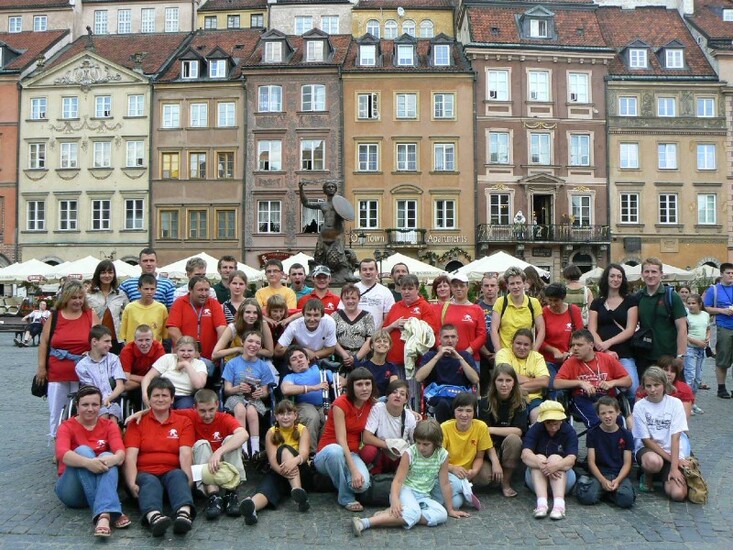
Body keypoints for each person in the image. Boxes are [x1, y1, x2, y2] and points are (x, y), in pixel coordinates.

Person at [351, 418, 469, 537]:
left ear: (436, 443)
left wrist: (450, 510)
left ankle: (396, 515)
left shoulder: (442, 455)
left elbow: (445, 484)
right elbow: (397, 481)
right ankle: (364, 522)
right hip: (406, 490)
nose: (421, 447)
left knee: (442, 515)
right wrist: (395, 500)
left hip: (424, 495)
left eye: (426, 444)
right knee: (414, 513)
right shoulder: (410, 453)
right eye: (418, 443)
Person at [124, 377, 196, 537]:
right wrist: (131, 483)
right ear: (148, 399)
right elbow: (130, 457)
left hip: (171, 470)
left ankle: (184, 515)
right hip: (145, 472)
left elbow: (185, 453)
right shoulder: (137, 423)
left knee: (178, 475)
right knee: (149, 482)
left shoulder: (183, 422)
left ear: (172, 400)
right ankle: (154, 517)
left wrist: (188, 479)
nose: (160, 399)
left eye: (165, 395)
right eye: (156, 396)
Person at [54, 385, 129, 538]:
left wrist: (110, 459)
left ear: (101, 406)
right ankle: (111, 508)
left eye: (95, 405)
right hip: (71, 490)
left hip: (100, 484)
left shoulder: (109, 426)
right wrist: (88, 463)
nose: (90, 409)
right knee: (83, 451)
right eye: (85, 405)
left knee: (108, 456)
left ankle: (104, 516)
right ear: (77, 406)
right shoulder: (66, 426)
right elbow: (62, 454)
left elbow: (120, 453)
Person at [37, 280, 101, 440]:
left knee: (82, 408)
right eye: (74, 298)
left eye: (80, 297)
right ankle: (58, 440)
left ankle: (79, 439)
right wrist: (41, 368)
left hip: (83, 371)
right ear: (66, 298)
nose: (78, 301)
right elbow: (44, 342)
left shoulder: (89, 314)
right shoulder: (56, 316)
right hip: (58, 370)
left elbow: (100, 339)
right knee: (56, 408)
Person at [177, 389, 248, 520]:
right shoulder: (189, 415)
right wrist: (140, 413)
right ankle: (213, 495)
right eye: (202, 411)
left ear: (217, 405)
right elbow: (164, 411)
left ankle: (231, 493)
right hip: (203, 463)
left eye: (211, 409)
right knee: (201, 444)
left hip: (223, 463)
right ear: (195, 408)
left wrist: (219, 452)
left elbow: (243, 434)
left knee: (231, 440)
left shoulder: (225, 418)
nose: (207, 415)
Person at [314, 367, 377, 512]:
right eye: (359, 384)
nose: (364, 388)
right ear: (351, 387)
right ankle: (346, 497)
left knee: (362, 486)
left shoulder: (371, 403)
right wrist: (354, 470)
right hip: (328, 453)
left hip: (352, 453)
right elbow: (341, 440)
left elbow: (389, 402)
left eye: (368, 384)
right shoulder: (340, 404)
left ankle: (342, 482)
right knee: (336, 451)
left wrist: (410, 411)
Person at [239, 400, 312, 525]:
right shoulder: (271, 432)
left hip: (300, 468)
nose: (285, 417)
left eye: (289, 413)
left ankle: (297, 491)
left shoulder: (302, 429)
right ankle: (252, 507)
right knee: (266, 489)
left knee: (285, 449)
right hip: (279, 470)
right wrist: (283, 471)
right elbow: (272, 460)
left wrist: (293, 462)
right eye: (281, 414)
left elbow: (304, 453)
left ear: (295, 415)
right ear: (276, 416)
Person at [632, 366, 690, 501]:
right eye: (648, 386)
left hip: (672, 451)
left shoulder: (675, 404)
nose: (652, 390)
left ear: (664, 384)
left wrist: (674, 468)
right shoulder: (640, 406)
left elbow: (675, 438)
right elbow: (646, 440)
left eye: (656, 385)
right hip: (649, 450)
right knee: (654, 462)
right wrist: (674, 461)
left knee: (678, 494)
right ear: (643, 387)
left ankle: (666, 475)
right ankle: (647, 475)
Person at [554, 329, 631, 428]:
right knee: (597, 423)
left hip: (606, 397)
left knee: (617, 422)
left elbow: (628, 381)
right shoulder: (571, 362)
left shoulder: (606, 359)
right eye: (573, 345)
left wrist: (612, 383)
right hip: (583, 398)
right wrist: (580, 383)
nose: (575, 348)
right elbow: (556, 383)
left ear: (591, 345)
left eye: (579, 345)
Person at [441, 392, 501, 510]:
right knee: (456, 503)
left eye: (468, 411)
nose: (464, 414)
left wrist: (474, 471)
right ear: (454, 411)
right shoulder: (444, 428)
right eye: (460, 410)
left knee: (485, 476)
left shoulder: (480, 426)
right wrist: (453, 468)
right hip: (449, 469)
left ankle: (463, 488)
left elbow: (479, 457)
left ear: (474, 412)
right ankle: (461, 489)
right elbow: (438, 459)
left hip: (467, 470)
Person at [588, 263, 640, 399]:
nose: (615, 279)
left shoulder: (630, 301)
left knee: (633, 389)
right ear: (606, 278)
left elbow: (630, 329)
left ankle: (629, 417)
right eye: (612, 276)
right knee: (601, 391)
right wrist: (604, 349)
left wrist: (608, 343)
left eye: (619, 276)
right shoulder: (597, 303)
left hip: (624, 353)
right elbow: (591, 329)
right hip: (601, 355)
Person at [222, 330, 276, 456]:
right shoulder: (232, 363)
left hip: (253, 398)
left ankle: (255, 449)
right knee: (240, 409)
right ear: (242, 342)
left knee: (251, 410)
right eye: (250, 341)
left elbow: (266, 391)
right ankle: (242, 447)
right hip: (236, 396)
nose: (253, 345)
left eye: (258, 343)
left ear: (261, 346)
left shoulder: (263, 366)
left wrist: (260, 393)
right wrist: (238, 388)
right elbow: (227, 390)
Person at [477, 364, 528, 497]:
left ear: (514, 383)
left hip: (509, 446)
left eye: (508, 380)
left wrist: (490, 429)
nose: (504, 384)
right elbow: (483, 435)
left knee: (514, 439)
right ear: (494, 382)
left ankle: (506, 481)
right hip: (489, 447)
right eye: (500, 380)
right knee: (483, 479)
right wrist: (494, 462)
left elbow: (518, 431)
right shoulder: (484, 402)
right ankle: (495, 473)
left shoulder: (520, 403)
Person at [521, 400, 578, 520]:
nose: (553, 427)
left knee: (555, 458)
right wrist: (541, 464)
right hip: (537, 479)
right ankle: (541, 504)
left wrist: (556, 466)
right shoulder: (536, 429)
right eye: (549, 424)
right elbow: (525, 454)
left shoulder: (569, 431)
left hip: (564, 479)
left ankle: (559, 505)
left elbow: (571, 459)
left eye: (556, 424)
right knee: (539, 457)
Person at [576, 396, 635, 509]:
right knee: (587, 498)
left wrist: (618, 480)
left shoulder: (626, 434)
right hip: (600, 473)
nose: (607, 416)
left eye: (611, 412)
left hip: (619, 474)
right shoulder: (593, 433)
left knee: (626, 500)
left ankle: (607, 492)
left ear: (618, 412)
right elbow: (591, 462)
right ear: (598, 415)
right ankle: (605, 490)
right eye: (603, 413)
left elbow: (627, 463)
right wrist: (603, 480)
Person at [416, 324, 479, 423]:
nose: (450, 340)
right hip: (438, 397)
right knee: (443, 403)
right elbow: (419, 378)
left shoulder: (465, 356)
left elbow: (475, 380)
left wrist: (459, 358)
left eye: (453, 337)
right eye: (446, 337)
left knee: (460, 404)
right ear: (440, 339)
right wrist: (438, 356)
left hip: (460, 397)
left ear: (457, 339)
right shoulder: (430, 355)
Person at [298, 180, 358, 284]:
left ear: (335, 189)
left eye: (332, 186)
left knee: (338, 257)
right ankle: (315, 273)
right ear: (324, 190)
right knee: (319, 256)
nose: (330, 188)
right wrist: (301, 189)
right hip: (324, 235)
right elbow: (306, 203)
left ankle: (346, 274)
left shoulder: (340, 205)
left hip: (336, 235)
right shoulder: (323, 205)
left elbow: (347, 215)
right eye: (328, 187)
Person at [636, 258, 688, 376]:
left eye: (654, 272)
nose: (650, 275)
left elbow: (682, 328)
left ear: (661, 274)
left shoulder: (672, 297)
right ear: (642, 274)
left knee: (674, 392)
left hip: (668, 357)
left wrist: (680, 355)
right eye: (647, 272)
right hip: (644, 356)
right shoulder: (638, 297)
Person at [383, 274, 440, 379]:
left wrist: (413, 325)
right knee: (396, 392)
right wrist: (393, 325)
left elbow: (431, 331)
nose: (406, 292)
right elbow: (383, 332)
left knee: (413, 394)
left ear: (417, 289)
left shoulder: (425, 307)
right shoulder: (395, 307)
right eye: (403, 288)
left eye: (410, 288)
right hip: (394, 360)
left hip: (416, 361)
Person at [280, 346, 334, 453]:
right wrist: (313, 388)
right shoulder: (291, 377)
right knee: (312, 416)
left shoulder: (319, 370)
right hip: (303, 405)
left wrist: (339, 383)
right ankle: (310, 454)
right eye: (294, 359)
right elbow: (286, 389)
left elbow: (339, 381)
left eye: (301, 357)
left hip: (324, 404)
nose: (299, 360)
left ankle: (324, 450)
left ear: (308, 360)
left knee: (330, 417)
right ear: (290, 366)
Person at [359, 379, 417, 474]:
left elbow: (415, 444)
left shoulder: (409, 417)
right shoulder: (378, 409)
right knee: (368, 451)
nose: (398, 396)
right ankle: (372, 477)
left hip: (399, 455)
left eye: (402, 394)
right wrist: (390, 445)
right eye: (394, 392)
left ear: (406, 400)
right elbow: (366, 438)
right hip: (380, 452)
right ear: (387, 395)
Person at [167, 275, 227, 363]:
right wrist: (188, 350)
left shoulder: (214, 304)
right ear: (190, 290)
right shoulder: (179, 303)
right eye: (200, 290)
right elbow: (173, 329)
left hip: (210, 359)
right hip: (184, 358)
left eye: (206, 290)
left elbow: (221, 329)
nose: (204, 294)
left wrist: (217, 351)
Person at [495, 328, 550, 423]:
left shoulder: (537, 357)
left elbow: (544, 382)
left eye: (526, 345)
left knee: (537, 415)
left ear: (532, 346)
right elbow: (507, 375)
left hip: (534, 398)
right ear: (512, 343)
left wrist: (516, 385)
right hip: (509, 397)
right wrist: (535, 381)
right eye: (518, 343)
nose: (522, 347)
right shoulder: (503, 353)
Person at [75, 325, 127, 423]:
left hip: (113, 400)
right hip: (93, 402)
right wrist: (101, 402)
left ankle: (113, 436)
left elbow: (120, 386)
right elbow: (90, 390)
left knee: (113, 418)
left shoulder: (113, 359)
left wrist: (109, 399)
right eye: (106, 341)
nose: (111, 345)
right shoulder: (82, 366)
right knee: (103, 414)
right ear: (94, 342)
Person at [539, 283, 583, 398]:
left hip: (570, 359)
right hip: (549, 360)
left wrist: (571, 352)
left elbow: (580, 336)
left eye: (556, 301)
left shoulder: (574, 311)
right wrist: (553, 350)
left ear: (563, 299)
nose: (553, 304)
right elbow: (539, 339)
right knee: (555, 389)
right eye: (550, 300)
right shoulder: (543, 313)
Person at [141, 336, 208, 409]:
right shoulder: (167, 358)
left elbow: (199, 385)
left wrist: (186, 364)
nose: (186, 353)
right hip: (163, 394)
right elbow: (147, 378)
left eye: (190, 351)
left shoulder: (199, 364)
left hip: (185, 396)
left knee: (184, 411)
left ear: (195, 352)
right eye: (182, 350)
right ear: (176, 351)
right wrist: (145, 394)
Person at [491, 266, 545, 352]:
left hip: (525, 352)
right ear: (507, 286)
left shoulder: (533, 303)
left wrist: (534, 350)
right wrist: (499, 352)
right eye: (512, 284)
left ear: (524, 283)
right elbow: (494, 328)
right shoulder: (500, 302)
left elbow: (541, 329)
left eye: (518, 283)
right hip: (505, 352)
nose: (516, 286)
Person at [440, 273, 487, 369]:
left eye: (462, 286)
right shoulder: (444, 308)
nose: (458, 288)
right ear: (451, 288)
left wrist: (467, 352)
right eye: (455, 286)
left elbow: (482, 335)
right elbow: (438, 331)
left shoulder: (476, 309)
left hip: (470, 358)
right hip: (448, 357)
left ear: (467, 287)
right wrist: (443, 350)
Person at [703, 262, 733, 398]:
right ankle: (721, 388)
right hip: (723, 327)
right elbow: (707, 307)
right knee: (722, 359)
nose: (731, 275)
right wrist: (722, 310)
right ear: (721, 274)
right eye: (728, 273)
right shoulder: (713, 290)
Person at [212, 298, 275, 364]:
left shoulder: (262, 325)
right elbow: (215, 354)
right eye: (248, 312)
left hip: (255, 363)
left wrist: (249, 350)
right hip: (235, 363)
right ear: (242, 313)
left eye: (255, 313)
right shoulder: (233, 327)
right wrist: (238, 349)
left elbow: (270, 352)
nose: (251, 316)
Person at [85, 260, 128, 353]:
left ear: (114, 274)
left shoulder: (120, 294)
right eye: (103, 272)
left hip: (115, 339)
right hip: (96, 339)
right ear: (98, 274)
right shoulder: (88, 295)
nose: (107, 275)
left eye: (110, 272)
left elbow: (128, 313)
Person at [637, 356, 695, 425]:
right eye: (666, 370)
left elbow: (683, 419)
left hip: (675, 427)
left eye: (672, 371)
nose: (669, 374)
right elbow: (639, 415)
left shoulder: (684, 389)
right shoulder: (646, 387)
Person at [120, 324, 166, 411]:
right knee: (123, 385)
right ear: (135, 341)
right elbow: (125, 378)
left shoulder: (158, 348)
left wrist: (146, 381)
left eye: (147, 340)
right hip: (134, 385)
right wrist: (146, 380)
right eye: (140, 340)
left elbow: (162, 374)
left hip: (149, 383)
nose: (144, 343)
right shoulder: (127, 351)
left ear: (153, 340)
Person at [341, 258, 395, 331]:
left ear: (377, 272)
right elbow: (342, 312)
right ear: (360, 272)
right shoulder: (351, 289)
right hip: (354, 336)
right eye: (364, 269)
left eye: (371, 269)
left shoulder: (385, 291)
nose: (368, 272)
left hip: (376, 337)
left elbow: (388, 317)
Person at [333, 283, 375, 368]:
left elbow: (370, 340)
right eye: (347, 298)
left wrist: (356, 358)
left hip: (362, 360)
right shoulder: (334, 316)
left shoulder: (367, 316)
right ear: (342, 299)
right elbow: (331, 339)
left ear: (359, 299)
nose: (350, 301)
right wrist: (345, 356)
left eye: (353, 298)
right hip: (341, 359)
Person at [119, 273, 168, 343]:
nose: (149, 292)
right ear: (139, 289)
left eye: (152, 289)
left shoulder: (162, 309)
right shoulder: (129, 308)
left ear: (156, 289)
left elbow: (164, 334)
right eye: (146, 289)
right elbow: (123, 334)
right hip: (133, 349)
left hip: (154, 350)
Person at [354, 329, 399, 397]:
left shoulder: (391, 367)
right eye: (378, 341)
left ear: (389, 346)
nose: (382, 343)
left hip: (384, 402)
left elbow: (394, 388)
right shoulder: (363, 367)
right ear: (372, 345)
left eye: (385, 341)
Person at [685, 293, 709, 413]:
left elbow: (708, 328)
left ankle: (693, 401)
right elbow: (683, 333)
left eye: (693, 303)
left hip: (701, 349)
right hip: (690, 348)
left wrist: (708, 338)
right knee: (690, 376)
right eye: (688, 303)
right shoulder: (685, 315)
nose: (690, 305)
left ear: (700, 304)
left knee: (698, 379)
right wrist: (696, 341)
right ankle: (687, 404)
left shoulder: (705, 315)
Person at [477, 274, 499, 393]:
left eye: (492, 285)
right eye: (486, 286)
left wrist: (499, 353)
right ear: (482, 288)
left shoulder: (504, 305)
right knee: (485, 390)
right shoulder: (477, 307)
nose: (489, 289)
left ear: (498, 288)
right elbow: (475, 333)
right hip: (483, 355)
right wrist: (488, 354)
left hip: (502, 354)